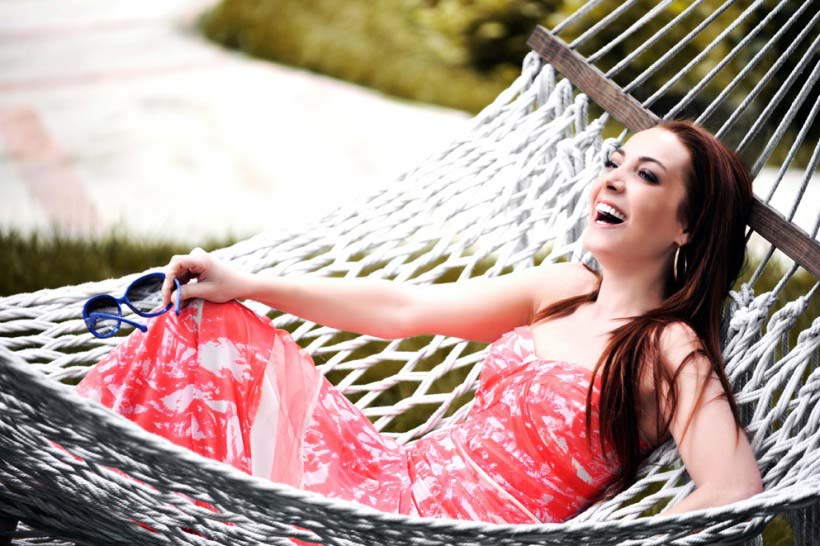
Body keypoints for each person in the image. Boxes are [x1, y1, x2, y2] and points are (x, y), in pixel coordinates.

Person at [76, 120, 763, 525]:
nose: (611, 179)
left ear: (687, 226)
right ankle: (75, 469)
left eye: (646, 176)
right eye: (614, 163)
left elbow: (732, 489)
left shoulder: (669, 347)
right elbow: (403, 310)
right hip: (386, 486)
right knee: (211, 320)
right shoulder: (563, 289)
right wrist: (251, 283)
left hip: (444, 534)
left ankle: (88, 486)